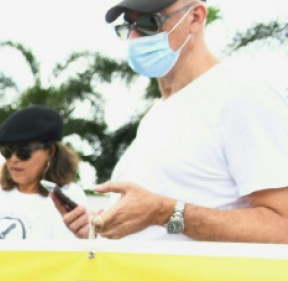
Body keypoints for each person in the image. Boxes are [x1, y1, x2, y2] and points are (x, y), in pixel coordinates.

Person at [62, 0, 288, 242]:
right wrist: (102, 227)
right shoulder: (156, 115)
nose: (136, 36)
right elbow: (157, 228)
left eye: (150, 23)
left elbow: (282, 225)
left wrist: (166, 213)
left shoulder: (243, 97)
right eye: (129, 24)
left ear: (195, 17)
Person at [0, 106, 87, 240]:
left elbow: (67, 256)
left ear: (50, 151)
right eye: (7, 151)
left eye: (23, 151)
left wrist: (0, 251)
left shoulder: (67, 195)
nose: (14, 159)